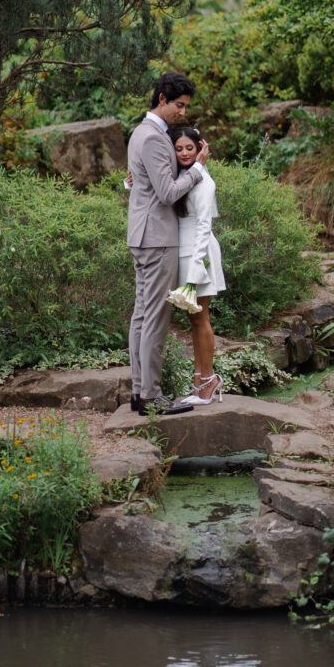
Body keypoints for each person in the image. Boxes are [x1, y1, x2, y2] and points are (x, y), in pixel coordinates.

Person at [127, 72, 209, 416]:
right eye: (179, 105)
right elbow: (167, 193)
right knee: (155, 318)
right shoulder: (154, 138)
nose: (183, 113)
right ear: (162, 98)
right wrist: (197, 169)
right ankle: (151, 395)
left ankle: (139, 392)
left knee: (142, 316)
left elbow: (142, 184)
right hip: (158, 238)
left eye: (186, 106)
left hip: (144, 236)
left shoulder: (141, 133)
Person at [168, 125, 225, 405]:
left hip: (197, 252)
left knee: (201, 317)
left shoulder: (203, 182)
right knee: (193, 319)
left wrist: (194, 269)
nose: (184, 153)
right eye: (178, 148)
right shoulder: (182, 177)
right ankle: (200, 380)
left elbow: (203, 226)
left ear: (200, 148)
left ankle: (208, 381)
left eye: (189, 147)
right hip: (184, 250)